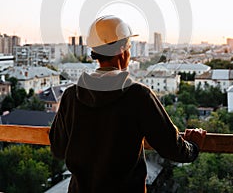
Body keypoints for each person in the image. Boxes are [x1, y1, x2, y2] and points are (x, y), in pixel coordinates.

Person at [49, 15, 206, 193]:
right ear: (122, 50)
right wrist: (193, 147)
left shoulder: (71, 96)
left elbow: (58, 149)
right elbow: (171, 148)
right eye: (130, 47)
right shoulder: (138, 96)